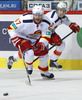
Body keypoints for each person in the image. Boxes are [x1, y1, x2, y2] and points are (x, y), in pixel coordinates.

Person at [7, 5, 54, 79]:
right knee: (29, 52)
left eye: (40, 15)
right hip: (22, 37)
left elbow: (46, 35)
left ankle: (44, 72)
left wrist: (42, 43)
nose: (37, 17)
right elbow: (11, 28)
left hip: (35, 38)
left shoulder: (47, 22)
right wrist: (14, 39)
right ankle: (29, 66)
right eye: (35, 15)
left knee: (44, 55)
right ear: (33, 14)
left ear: (43, 15)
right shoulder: (24, 19)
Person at [45, 2, 80, 69]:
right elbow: (45, 29)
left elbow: (69, 23)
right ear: (57, 10)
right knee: (41, 48)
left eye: (63, 11)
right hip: (41, 32)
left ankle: (53, 61)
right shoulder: (53, 18)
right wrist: (52, 37)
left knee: (61, 44)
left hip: (50, 31)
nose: (61, 12)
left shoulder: (63, 17)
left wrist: (74, 26)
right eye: (60, 10)